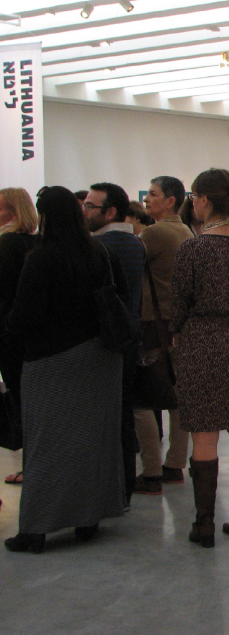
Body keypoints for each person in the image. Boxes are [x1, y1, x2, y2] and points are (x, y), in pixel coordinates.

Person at [4, 187, 127, 553]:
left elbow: (25, 315)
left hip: (51, 361)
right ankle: (89, 517)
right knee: (93, 441)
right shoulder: (97, 252)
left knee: (45, 445)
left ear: (45, 217)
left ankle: (36, 528)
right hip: (100, 357)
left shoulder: (41, 258)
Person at [170, 169, 229, 548]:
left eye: (194, 196)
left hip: (201, 340)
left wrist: (176, 331)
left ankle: (204, 523)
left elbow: (179, 302)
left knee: (204, 433)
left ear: (205, 200)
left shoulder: (192, 249)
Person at [84, 183, 146, 506]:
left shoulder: (102, 248)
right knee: (123, 415)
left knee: (109, 419)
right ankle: (124, 488)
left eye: (89, 206)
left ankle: (112, 490)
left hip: (107, 342)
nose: (84, 211)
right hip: (128, 338)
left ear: (109, 212)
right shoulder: (135, 244)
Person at [134, 176, 193, 495]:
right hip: (177, 322)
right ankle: (174, 464)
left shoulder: (154, 233)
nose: (147, 198)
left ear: (170, 200)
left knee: (143, 398)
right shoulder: (185, 231)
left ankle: (151, 470)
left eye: (153, 194)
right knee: (177, 395)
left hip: (152, 323)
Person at [0, 188, 39, 488]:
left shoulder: (7, 244)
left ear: (14, 212)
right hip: (32, 337)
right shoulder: (36, 243)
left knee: (22, 403)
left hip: (10, 336)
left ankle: (31, 468)